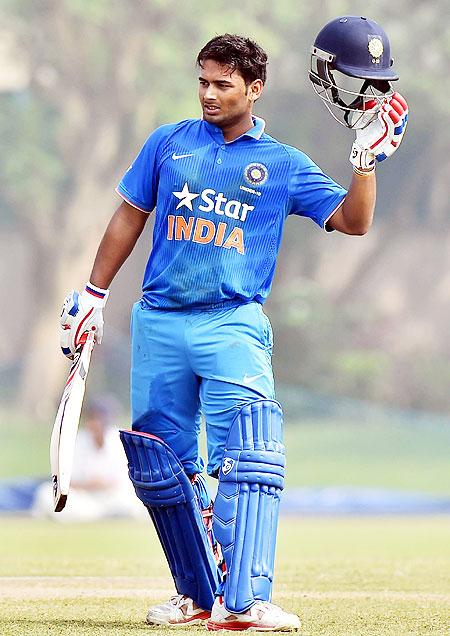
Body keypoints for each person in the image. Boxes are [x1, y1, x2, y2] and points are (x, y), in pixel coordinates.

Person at [59, 22, 407, 631]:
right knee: (162, 465)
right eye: (203, 82)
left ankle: (247, 602)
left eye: (223, 84)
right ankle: (195, 595)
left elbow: (353, 222)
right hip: (160, 321)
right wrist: (93, 294)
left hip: (233, 323)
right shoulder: (168, 144)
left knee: (247, 456)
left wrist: (366, 161)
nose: (209, 94)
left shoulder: (283, 165)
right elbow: (128, 218)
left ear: (256, 88)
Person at [33, 397, 144, 521]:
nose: (95, 423)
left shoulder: (120, 439)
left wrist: (104, 484)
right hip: (84, 498)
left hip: (113, 497)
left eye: (99, 418)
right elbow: (66, 480)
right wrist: (89, 485)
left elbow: (126, 480)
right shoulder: (77, 441)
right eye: (92, 418)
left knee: (132, 502)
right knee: (45, 493)